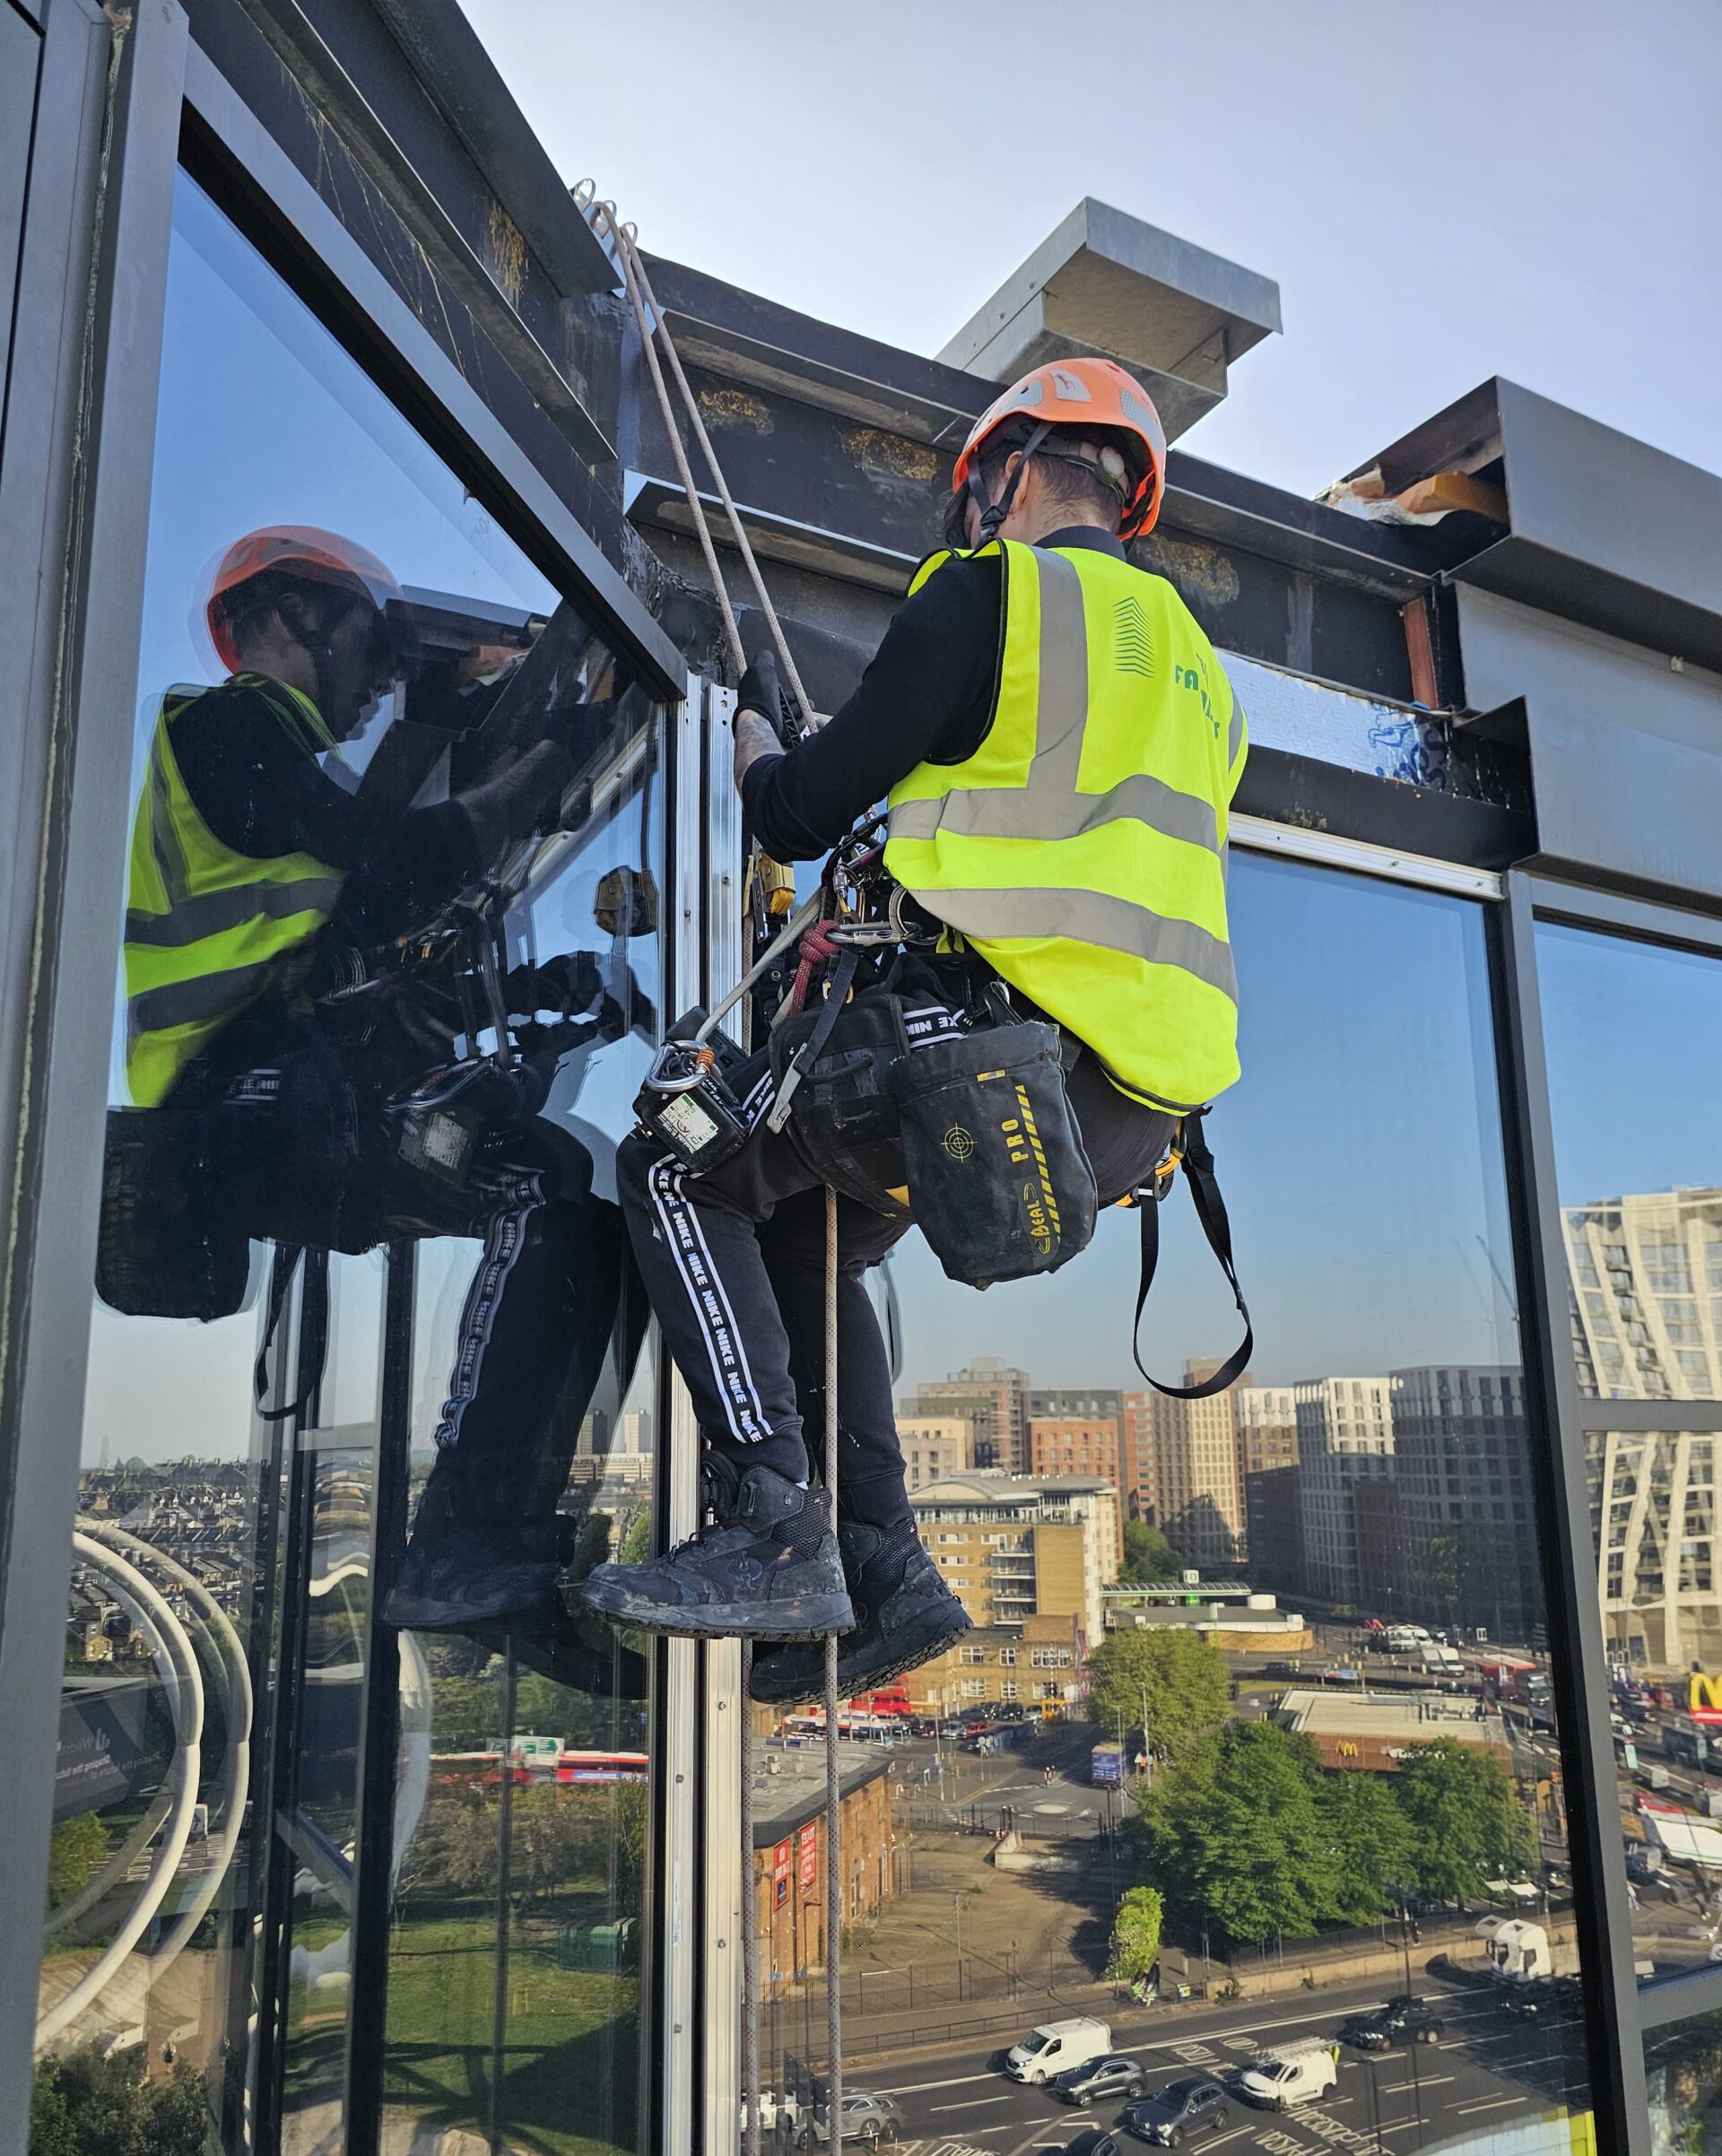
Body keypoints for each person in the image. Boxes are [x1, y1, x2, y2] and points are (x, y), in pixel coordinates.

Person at [581, 357, 1247, 1699]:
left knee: (675, 1163)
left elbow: (792, 814)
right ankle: (887, 1570)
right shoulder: (1204, 682)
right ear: (1127, 498)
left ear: (1008, 470)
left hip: (975, 1066)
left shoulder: (993, 593)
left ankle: (774, 1520)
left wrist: (757, 739)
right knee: (810, 1239)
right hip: (1123, 1126)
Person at [124, 526, 630, 1648]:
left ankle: (488, 1552)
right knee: (547, 1185)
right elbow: (391, 868)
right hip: (232, 1101)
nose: (382, 677)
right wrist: (560, 753)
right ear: (291, 616)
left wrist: (532, 988)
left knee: (566, 1194)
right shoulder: (225, 726)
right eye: (376, 641)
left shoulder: (274, 782)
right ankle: (468, 1549)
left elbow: (347, 942)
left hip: (260, 1097)